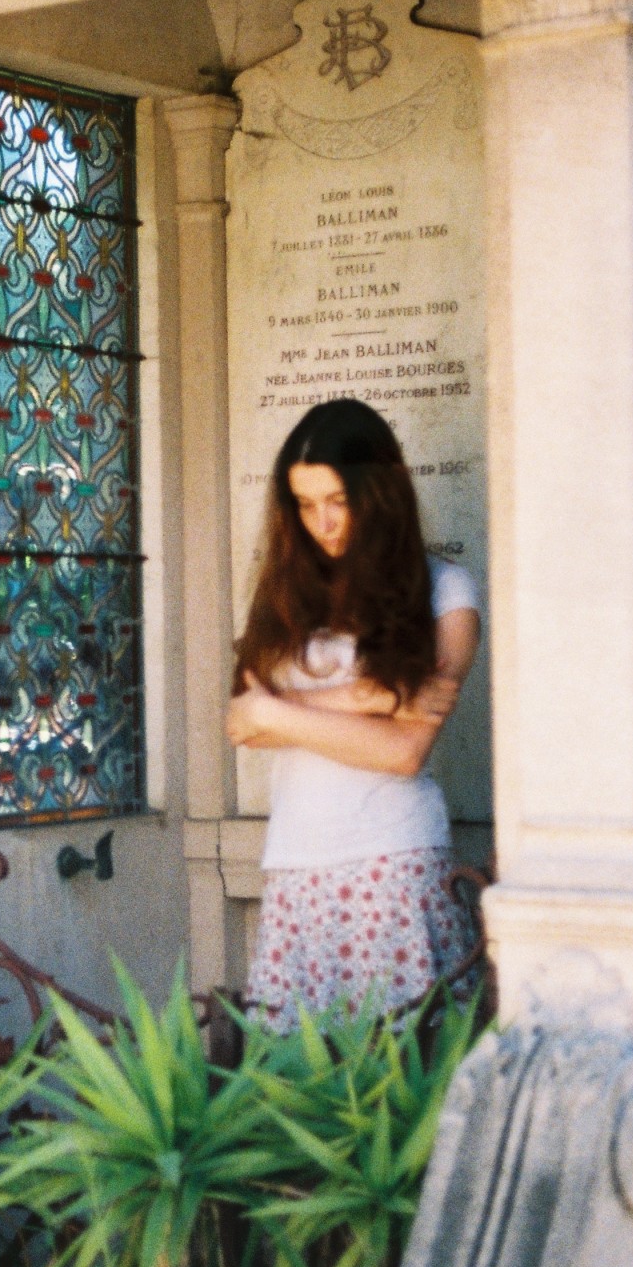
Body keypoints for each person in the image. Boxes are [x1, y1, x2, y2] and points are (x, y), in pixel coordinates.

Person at [225, 398, 481, 1031]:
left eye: (338, 500)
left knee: (402, 1086)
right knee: (304, 1096)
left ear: (380, 493)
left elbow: (402, 752)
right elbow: (240, 722)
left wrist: (280, 711)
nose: (323, 522)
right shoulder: (289, 592)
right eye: (306, 505)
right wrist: (366, 697)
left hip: (391, 864)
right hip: (296, 865)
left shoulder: (447, 591)